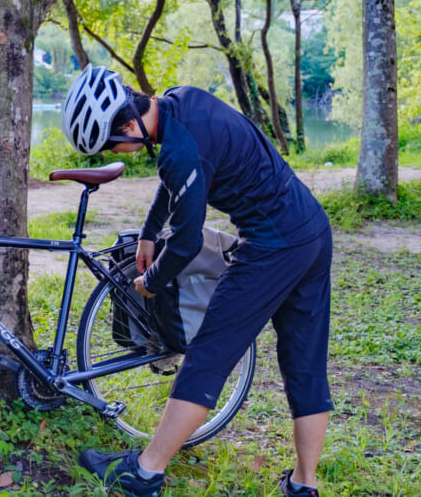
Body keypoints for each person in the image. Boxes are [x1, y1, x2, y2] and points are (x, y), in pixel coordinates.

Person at [62, 65, 332, 497]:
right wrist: (149, 234)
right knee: (305, 363)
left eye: (114, 143)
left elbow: (186, 242)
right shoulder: (179, 100)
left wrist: (151, 280)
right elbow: (174, 185)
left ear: (131, 124)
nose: (119, 151)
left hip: (273, 246)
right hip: (312, 231)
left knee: (208, 353)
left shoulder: (179, 149)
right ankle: (304, 485)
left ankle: (145, 473)